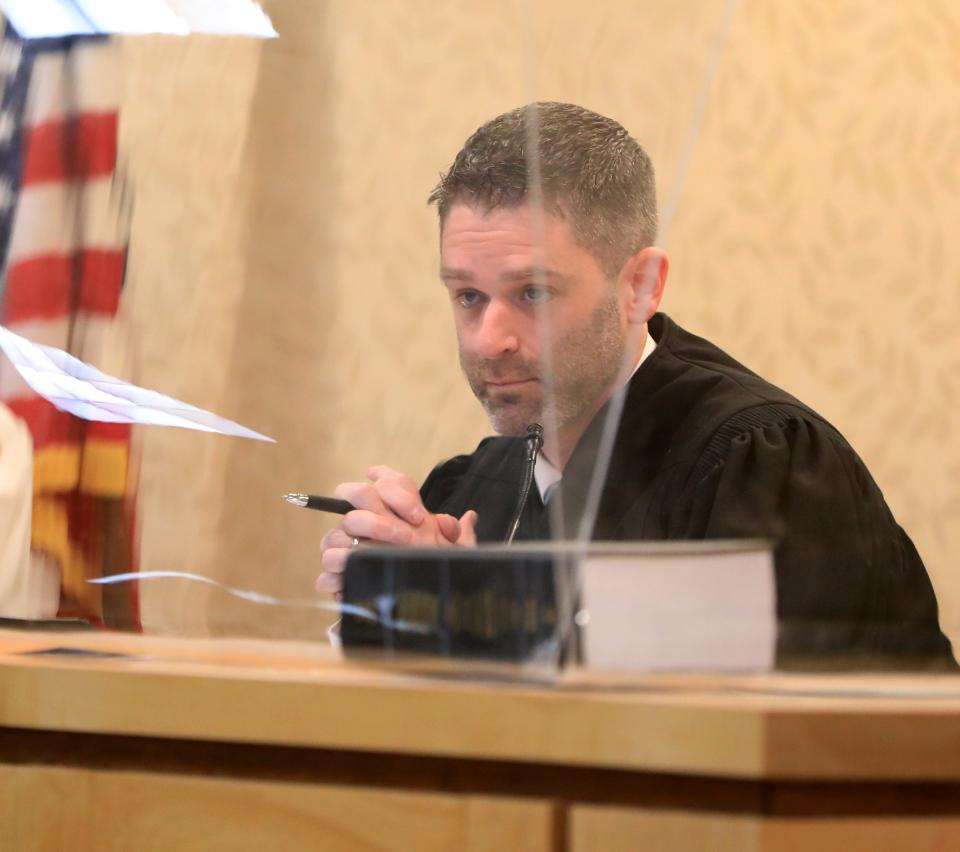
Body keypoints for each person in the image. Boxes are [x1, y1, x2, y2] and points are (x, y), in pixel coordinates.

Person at [317, 102, 953, 666]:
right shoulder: (468, 491)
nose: (488, 339)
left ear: (641, 287)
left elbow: (765, 741)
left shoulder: (757, 462)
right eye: (468, 296)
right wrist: (388, 615)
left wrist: (474, 612)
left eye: (533, 292)